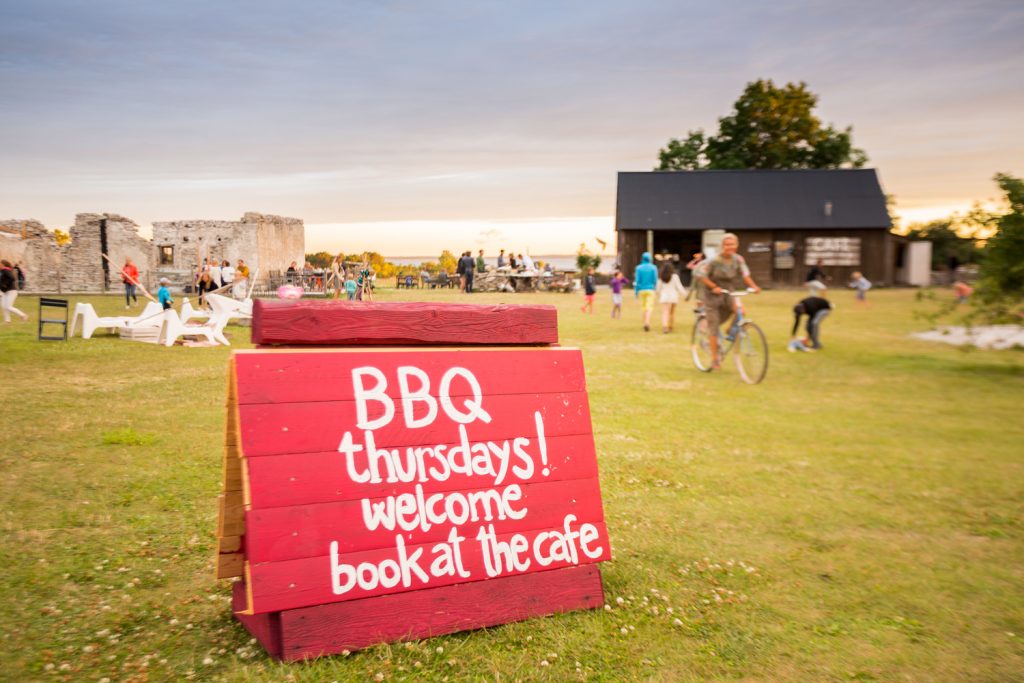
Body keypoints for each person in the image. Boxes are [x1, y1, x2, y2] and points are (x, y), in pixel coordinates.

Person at [694, 233, 761, 369]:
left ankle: (731, 330)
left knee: (741, 311)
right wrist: (714, 287)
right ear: (722, 246)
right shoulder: (714, 261)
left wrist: (754, 286)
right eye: (727, 244)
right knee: (713, 327)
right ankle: (714, 359)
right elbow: (700, 275)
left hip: (729, 291)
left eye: (732, 244)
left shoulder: (738, 260)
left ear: (737, 245)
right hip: (712, 293)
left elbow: (745, 275)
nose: (730, 247)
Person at [656, 263, 686, 333]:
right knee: (672, 313)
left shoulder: (661, 277)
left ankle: (665, 327)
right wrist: (685, 294)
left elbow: (658, 289)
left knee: (665, 312)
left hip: (664, 297)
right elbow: (679, 287)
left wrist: (658, 295)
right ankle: (670, 327)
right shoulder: (675, 277)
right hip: (673, 297)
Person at [633, 252, 658, 332]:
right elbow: (655, 280)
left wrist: (636, 292)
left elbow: (637, 280)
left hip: (641, 290)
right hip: (650, 289)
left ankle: (644, 323)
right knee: (649, 307)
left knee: (644, 307)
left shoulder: (638, 268)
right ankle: (647, 323)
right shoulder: (653, 267)